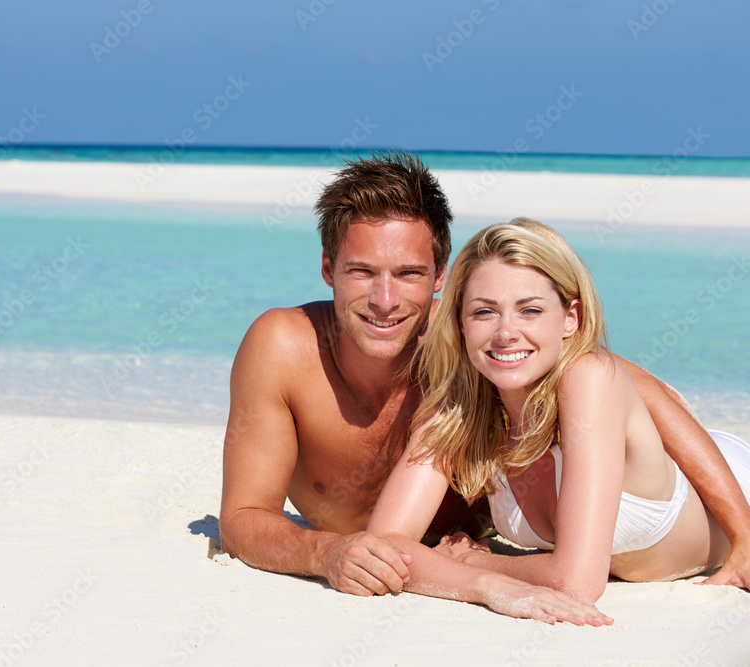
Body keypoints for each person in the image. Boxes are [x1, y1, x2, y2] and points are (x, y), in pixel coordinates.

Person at [219, 152, 750, 616]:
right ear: (328, 268)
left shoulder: (489, 352)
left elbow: (639, 389)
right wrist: (329, 553)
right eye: (362, 272)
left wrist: (742, 529)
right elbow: (255, 520)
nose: (385, 300)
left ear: (439, 276)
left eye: (408, 274)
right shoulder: (461, 380)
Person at [368, 218, 750, 615]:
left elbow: (576, 583)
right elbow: (383, 545)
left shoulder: (588, 377)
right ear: (461, 323)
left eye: (530, 310)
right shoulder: (458, 408)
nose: (505, 333)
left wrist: (476, 561)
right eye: (484, 312)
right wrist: (485, 585)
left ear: (571, 318)